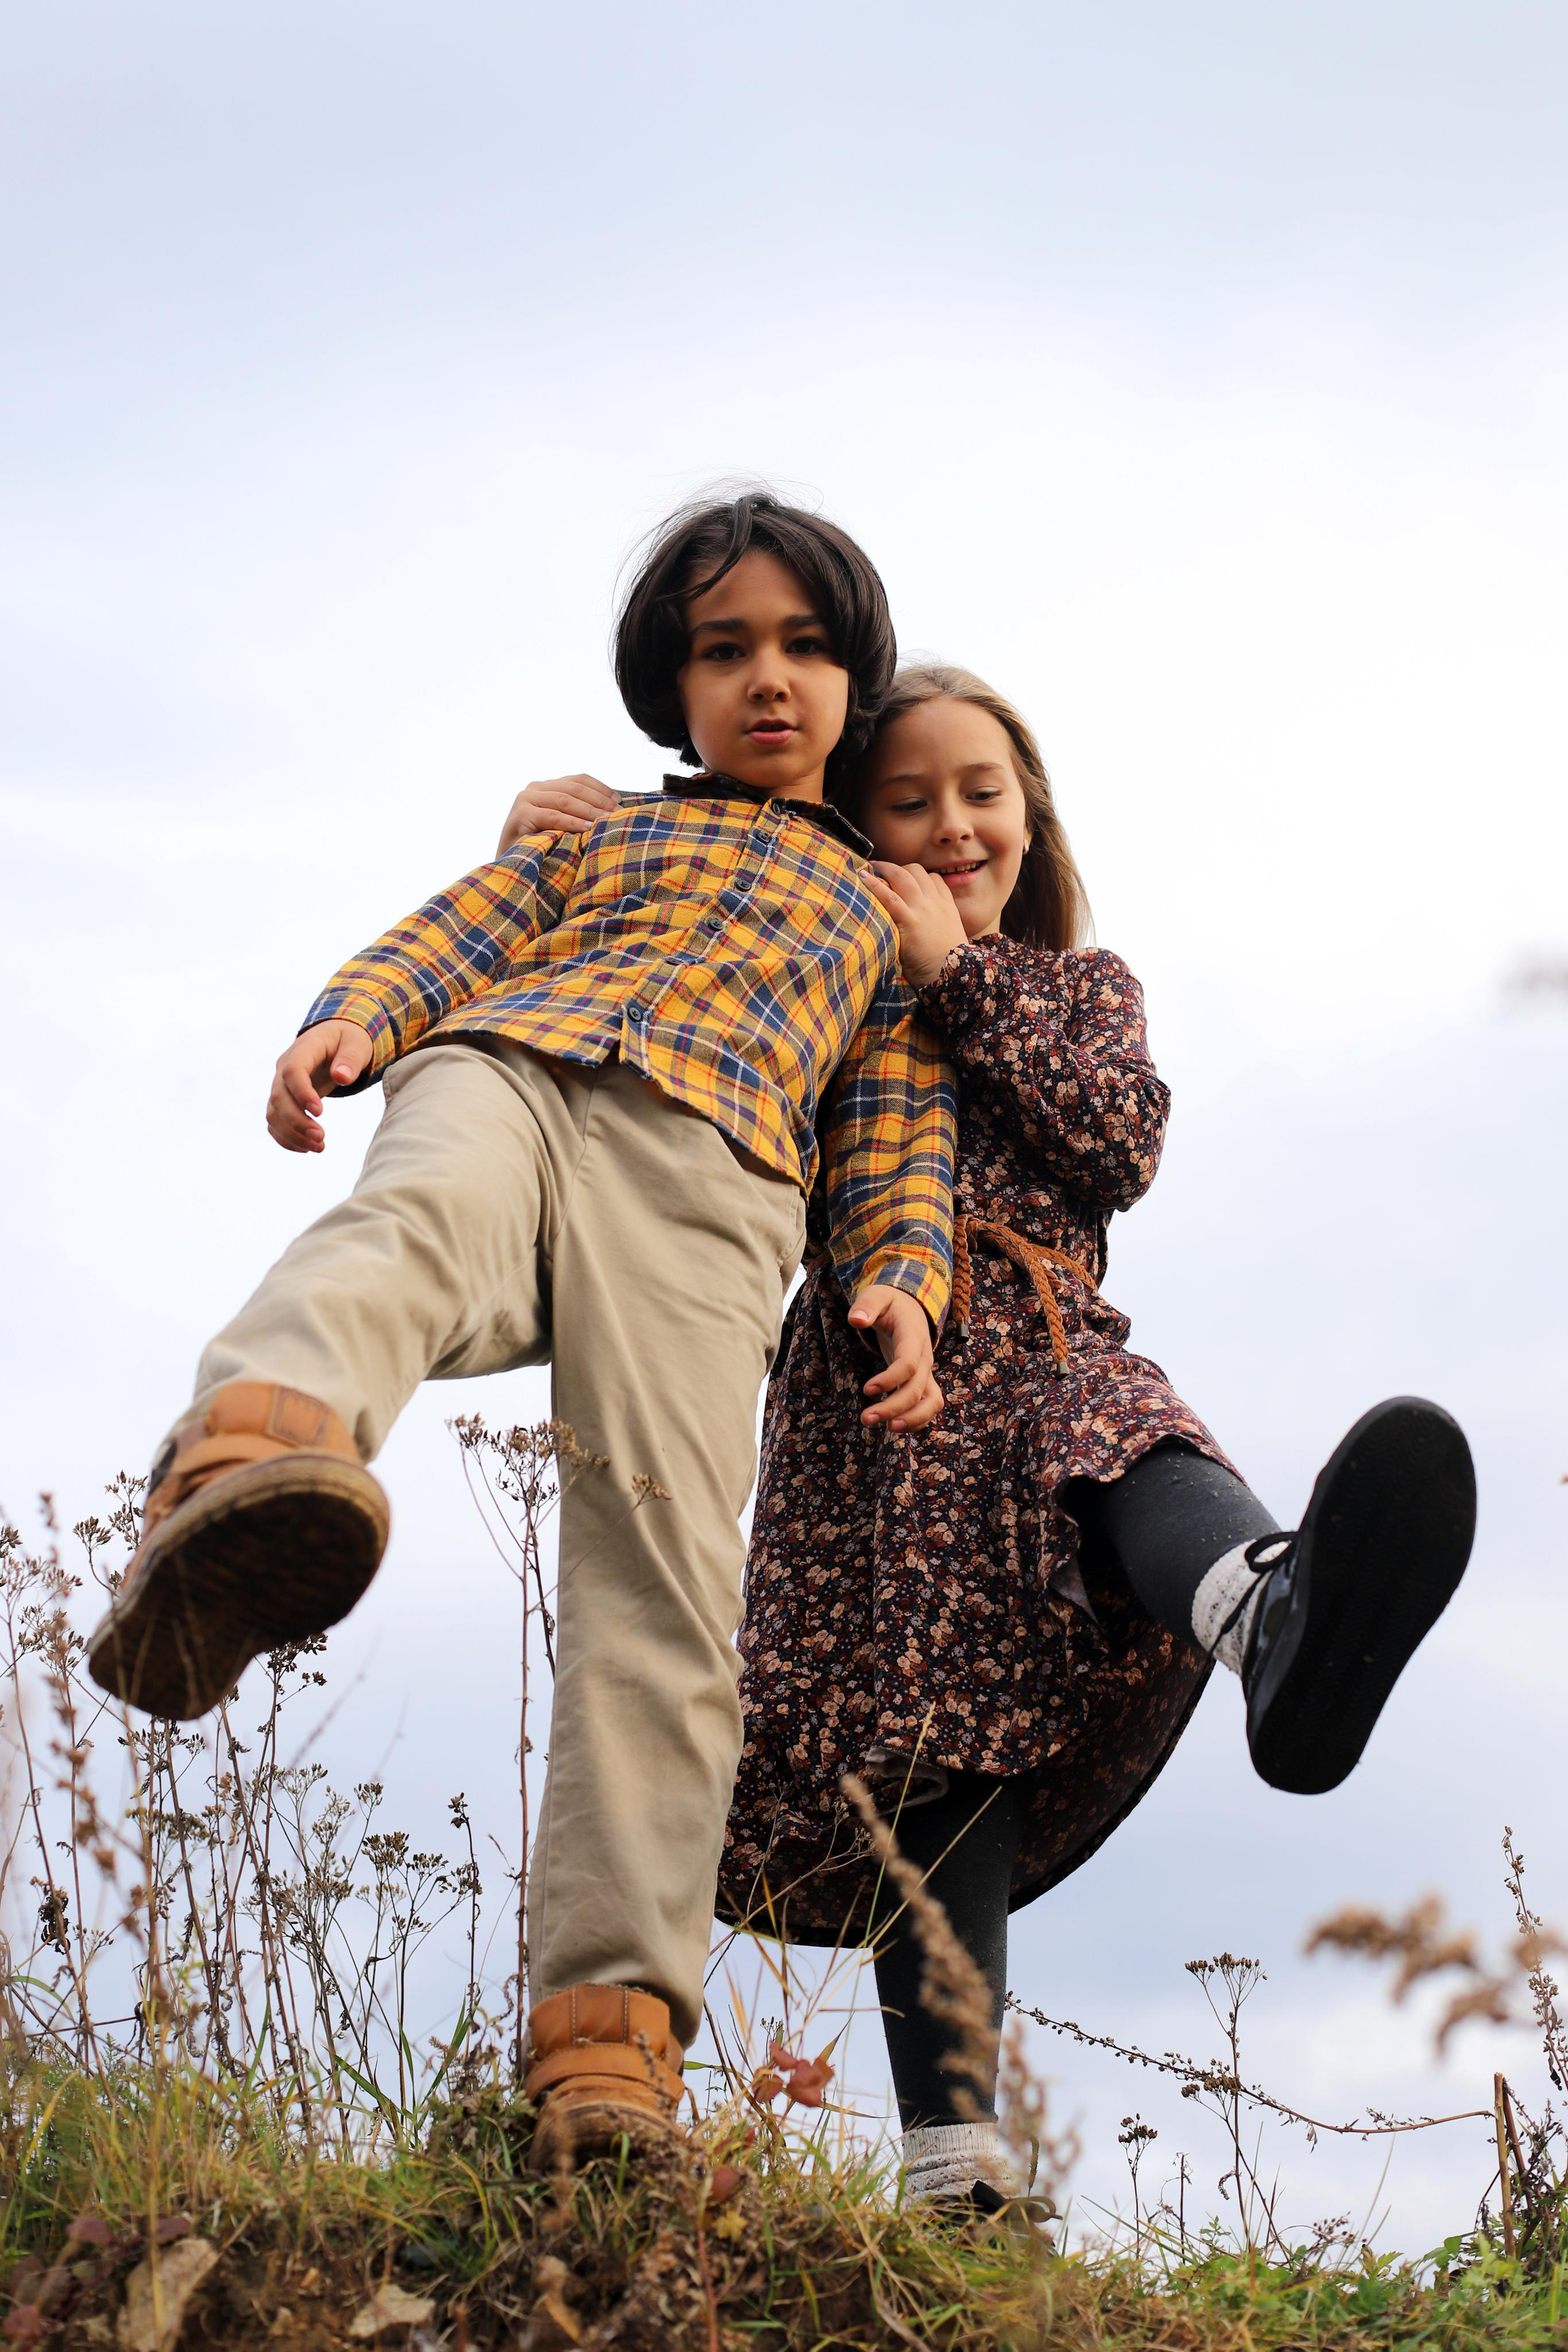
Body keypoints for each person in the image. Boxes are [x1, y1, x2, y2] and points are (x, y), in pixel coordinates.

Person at [503, 663, 1476, 2214]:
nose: (950, 824)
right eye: (908, 801)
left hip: (1028, 1344)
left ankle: (1273, 1618)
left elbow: (1119, 1138)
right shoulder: (814, 979)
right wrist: (546, 852)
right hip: (871, 1405)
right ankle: (952, 2164)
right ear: (851, 826)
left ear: (1031, 818)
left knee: (1119, 1431)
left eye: (981, 795)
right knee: (932, 1758)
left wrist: (965, 971)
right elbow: (651, 1023)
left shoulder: (1074, 985)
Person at [86, 491, 960, 2169]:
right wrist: (357, 1013)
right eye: (724, 652)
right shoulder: (594, 832)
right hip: (516, 1067)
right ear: (669, 685)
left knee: (666, 1590)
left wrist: (901, 1275)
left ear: (857, 675)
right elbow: (464, 931)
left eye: (804, 645)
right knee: (405, 1222)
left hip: (718, 1188)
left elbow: (900, 1127)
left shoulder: (883, 915)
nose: (767, 680)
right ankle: (248, 1469)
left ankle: (606, 2054)